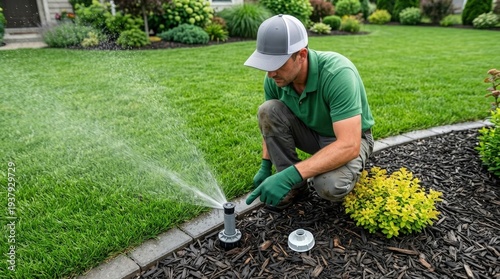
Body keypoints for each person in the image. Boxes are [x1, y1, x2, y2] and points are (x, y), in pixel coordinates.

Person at [244, 14, 375, 210]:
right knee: (268, 109)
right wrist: (265, 165)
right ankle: (296, 189)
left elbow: (349, 144)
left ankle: (335, 170)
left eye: (277, 64)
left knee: (328, 186)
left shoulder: (337, 73)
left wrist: (290, 173)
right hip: (312, 133)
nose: (271, 74)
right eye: (267, 64)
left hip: (351, 139)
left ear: (302, 55)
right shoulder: (275, 78)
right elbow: (269, 122)